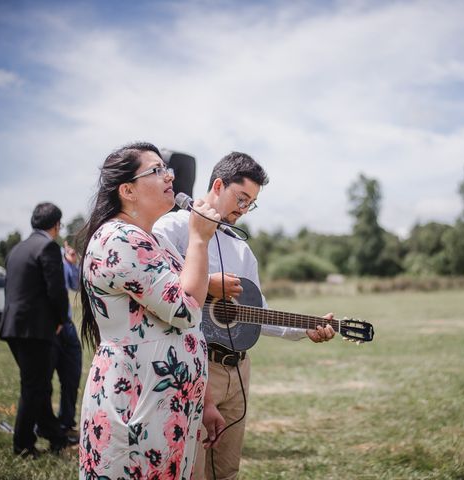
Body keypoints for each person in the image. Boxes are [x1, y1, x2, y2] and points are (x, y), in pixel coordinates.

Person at [154, 152, 336, 480]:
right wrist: (208, 286)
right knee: (190, 469)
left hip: (238, 371)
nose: (244, 209)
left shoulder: (242, 250)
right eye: (241, 198)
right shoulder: (173, 226)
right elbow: (157, 284)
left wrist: (306, 328)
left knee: (227, 470)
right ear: (219, 184)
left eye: (251, 203)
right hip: (196, 365)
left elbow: (258, 313)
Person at [77, 142, 225, 479]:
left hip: (164, 407)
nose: (169, 176)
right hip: (137, 404)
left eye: (166, 168)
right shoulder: (120, 238)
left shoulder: (153, 240)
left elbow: (189, 328)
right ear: (127, 190)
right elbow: (187, 309)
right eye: (156, 170)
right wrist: (199, 238)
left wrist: (206, 401)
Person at [0, 202, 69, 458]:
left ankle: (53, 434)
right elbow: (56, 290)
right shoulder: (48, 247)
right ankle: (23, 445)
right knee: (34, 386)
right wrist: (62, 319)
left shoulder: (17, 248)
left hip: (12, 325)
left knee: (38, 385)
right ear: (57, 225)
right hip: (35, 328)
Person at [48, 241, 82, 444]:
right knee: (42, 381)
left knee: (71, 376)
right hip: (47, 326)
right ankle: (42, 425)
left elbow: (76, 285)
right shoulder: (45, 255)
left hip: (66, 326)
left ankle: (66, 423)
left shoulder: (65, 258)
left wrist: (72, 262)